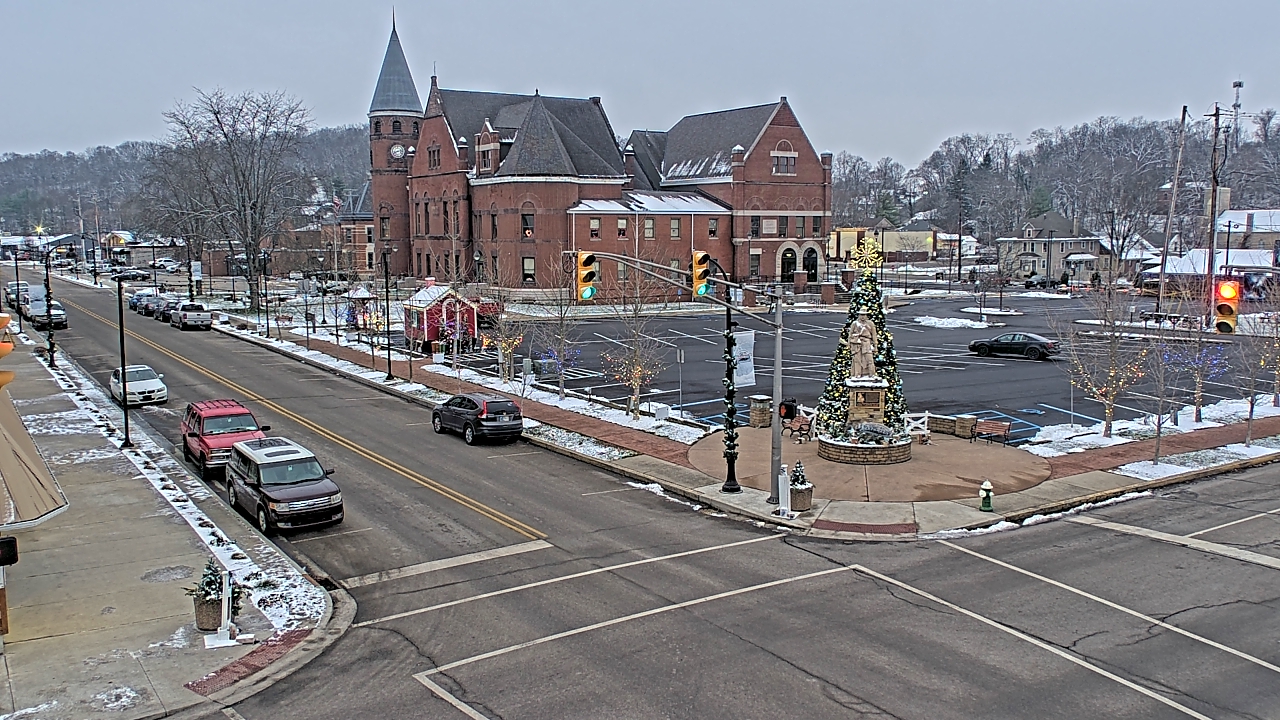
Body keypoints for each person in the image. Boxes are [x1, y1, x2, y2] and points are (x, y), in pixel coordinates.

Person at [847, 310, 878, 378]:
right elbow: (850, 334)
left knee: (869, 359)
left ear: (866, 315)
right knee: (857, 360)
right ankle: (857, 374)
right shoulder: (854, 323)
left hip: (867, 343)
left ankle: (872, 374)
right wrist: (849, 344)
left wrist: (875, 346)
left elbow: (874, 335)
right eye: (861, 315)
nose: (862, 317)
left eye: (864, 315)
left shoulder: (870, 323)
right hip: (857, 343)